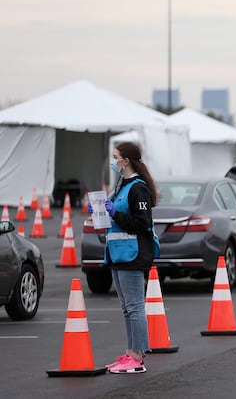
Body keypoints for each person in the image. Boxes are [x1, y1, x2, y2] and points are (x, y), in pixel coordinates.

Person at [88, 141, 157, 373]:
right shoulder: (121, 185)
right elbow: (116, 217)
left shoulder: (138, 188)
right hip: (118, 253)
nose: (114, 161)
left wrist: (115, 212)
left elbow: (143, 222)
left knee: (135, 306)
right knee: (127, 308)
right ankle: (130, 352)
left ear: (126, 161)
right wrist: (100, 212)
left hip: (132, 254)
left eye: (116, 157)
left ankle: (137, 356)